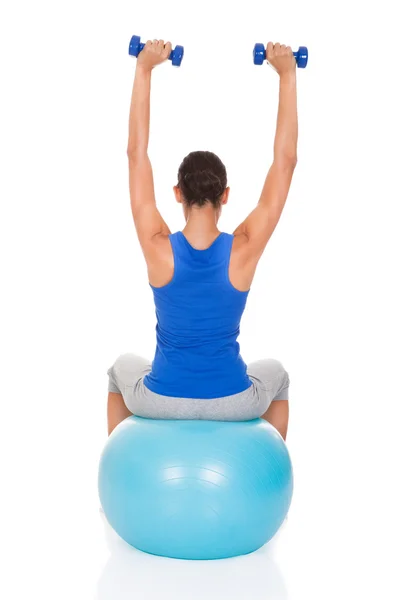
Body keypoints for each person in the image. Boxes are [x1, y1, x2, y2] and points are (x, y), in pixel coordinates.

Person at [107, 40, 298, 440]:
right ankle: (266, 476)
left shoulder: (157, 244)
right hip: (232, 400)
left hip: (162, 398)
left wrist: (144, 69)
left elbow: (135, 154)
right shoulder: (244, 247)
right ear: (225, 195)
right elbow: (285, 162)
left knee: (119, 370)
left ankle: (122, 471)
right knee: (276, 375)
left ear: (177, 192)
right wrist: (287, 73)